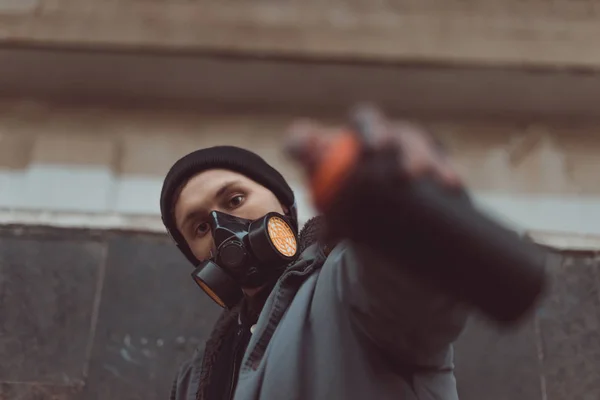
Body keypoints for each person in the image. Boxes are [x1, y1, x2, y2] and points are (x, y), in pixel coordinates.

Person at [162, 108, 469, 400]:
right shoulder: (195, 381)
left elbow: (414, 291)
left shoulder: (349, 284)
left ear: (283, 206)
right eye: (201, 227)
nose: (221, 230)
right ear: (194, 255)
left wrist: (405, 209)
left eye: (235, 199)